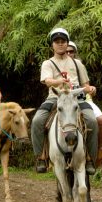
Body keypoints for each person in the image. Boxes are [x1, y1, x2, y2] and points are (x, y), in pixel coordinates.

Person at [31, 28, 98, 175]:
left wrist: (90, 89)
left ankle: (90, 158)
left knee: (92, 121)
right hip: (55, 98)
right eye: (57, 42)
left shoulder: (77, 63)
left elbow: (86, 84)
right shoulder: (48, 63)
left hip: (76, 98)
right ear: (52, 45)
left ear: (67, 43)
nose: (60, 44)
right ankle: (41, 157)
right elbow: (47, 81)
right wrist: (58, 81)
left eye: (63, 42)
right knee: (37, 121)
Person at [66, 41, 102, 167]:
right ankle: (45, 155)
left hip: (83, 100)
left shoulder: (80, 66)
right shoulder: (56, 65)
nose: (69, 53)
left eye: (71, 51)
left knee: (100, 120)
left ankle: (99, 150)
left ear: (75, 53)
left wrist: (92, 89)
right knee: (46, 122)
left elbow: (87, 86)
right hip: (64, 102)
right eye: (66, 51)